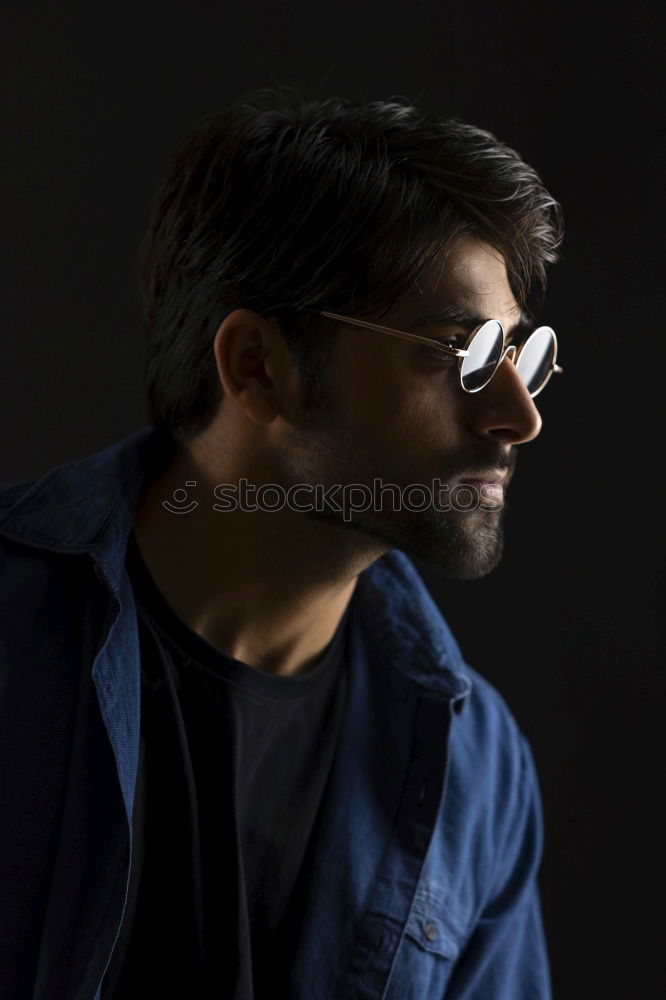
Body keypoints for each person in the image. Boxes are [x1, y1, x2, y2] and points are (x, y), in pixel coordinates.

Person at [0, 85, 563, 999]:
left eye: (521, 355)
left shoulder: (476, 769)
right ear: (257, 366)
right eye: (460, 350)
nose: (519, 416)